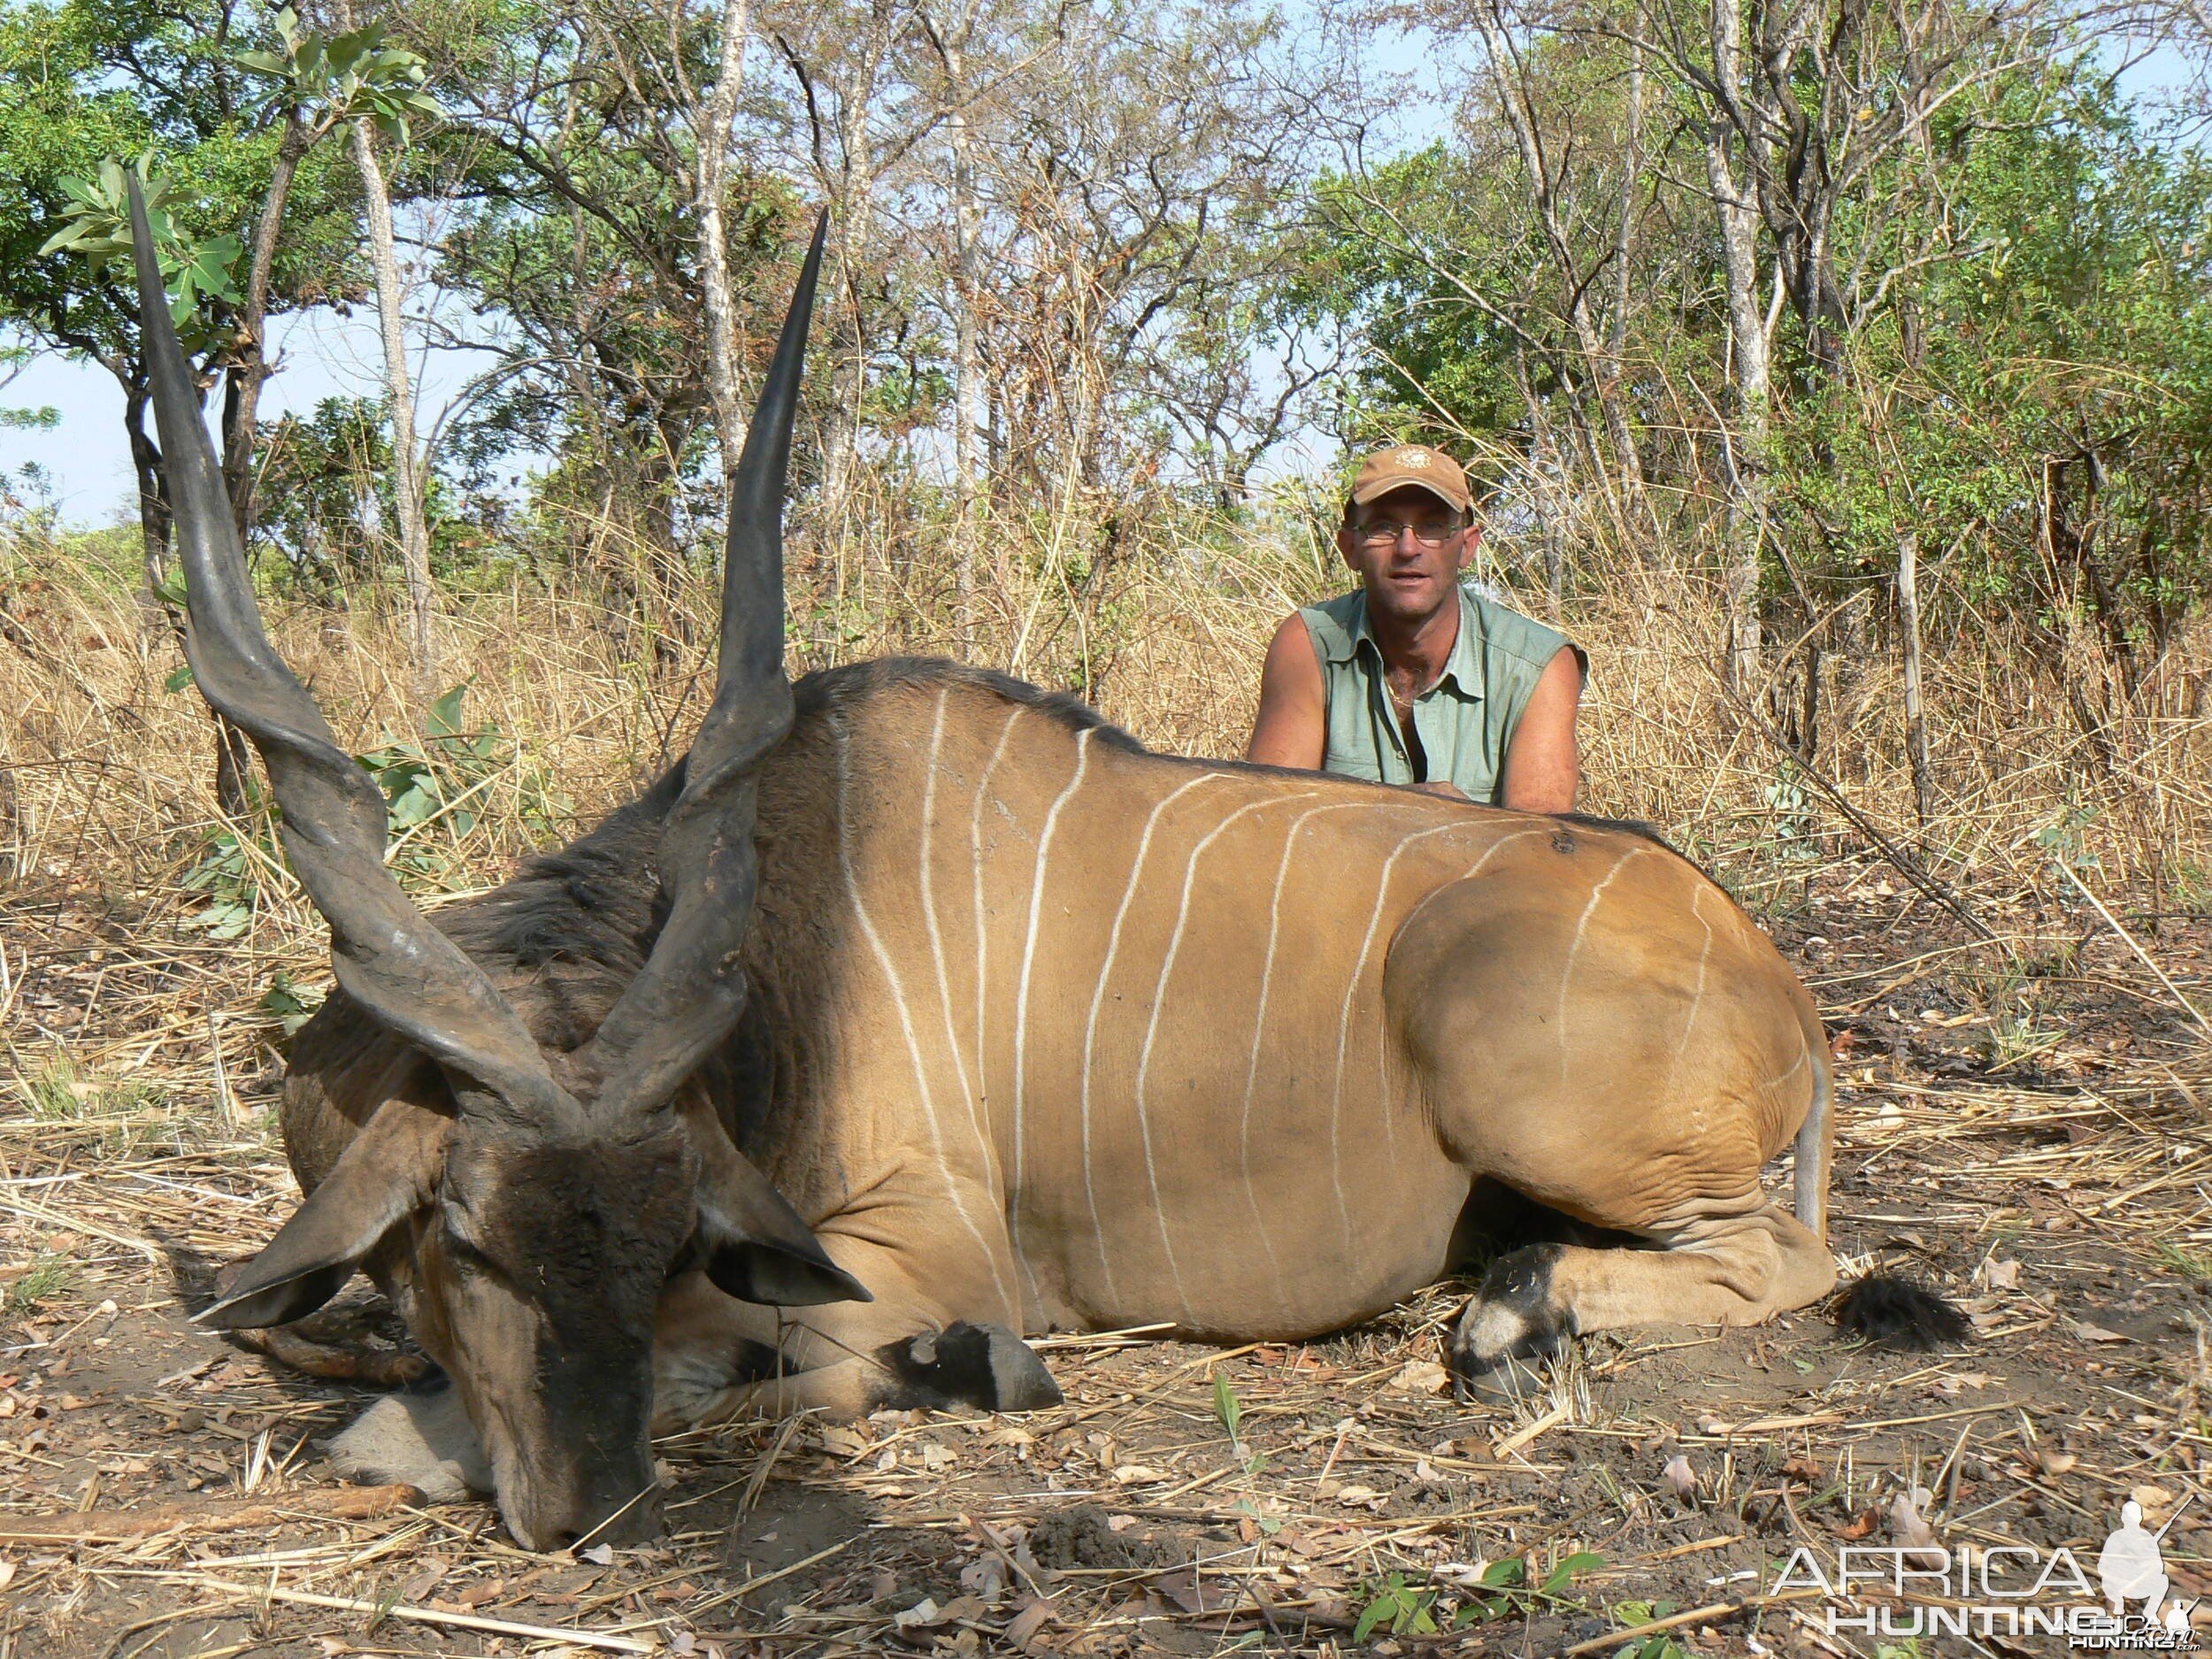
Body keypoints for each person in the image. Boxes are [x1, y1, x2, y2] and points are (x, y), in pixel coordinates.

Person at [1245, 443, 1585, 810]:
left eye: (1433, 526)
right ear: (1350, 548)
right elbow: (1273, 817)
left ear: (1468, 546)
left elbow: (1541, 844)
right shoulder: (1308, 645)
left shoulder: (1539, 665)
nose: (1408, 548)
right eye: (1383, 527)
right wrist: (1404, 809)